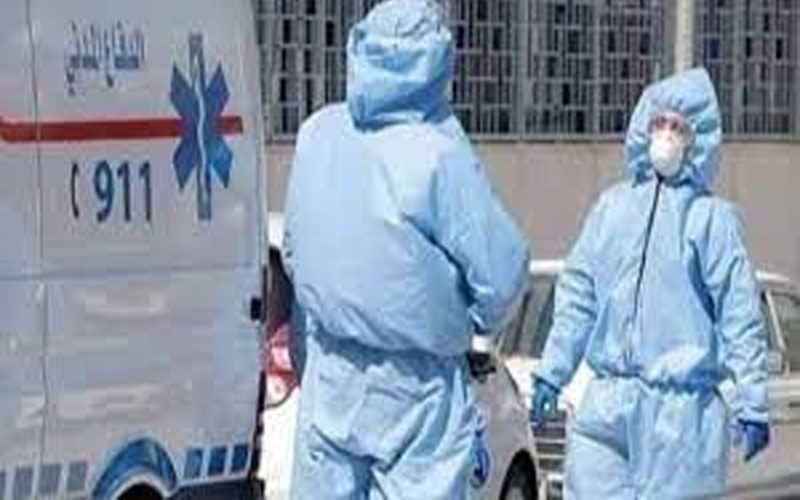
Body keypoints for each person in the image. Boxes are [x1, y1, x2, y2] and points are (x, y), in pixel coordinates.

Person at [282, 1, 530, 498]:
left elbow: (295, 250)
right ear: (437, 61)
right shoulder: (438, 150)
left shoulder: (318, 133)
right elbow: (501, 273)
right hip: (416, 387)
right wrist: (474, 320)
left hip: (331, 373)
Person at [529, 68, 770, 498]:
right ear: (643, 128)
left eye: (679, 128)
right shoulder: (612, 209)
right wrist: (552, 371)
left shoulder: (710, 220)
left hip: (681, 416)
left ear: (698, 141)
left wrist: (751, 399)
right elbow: (578, 295)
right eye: (659, 123)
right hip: (606, 401)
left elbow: (739, 313)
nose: (666, 135)